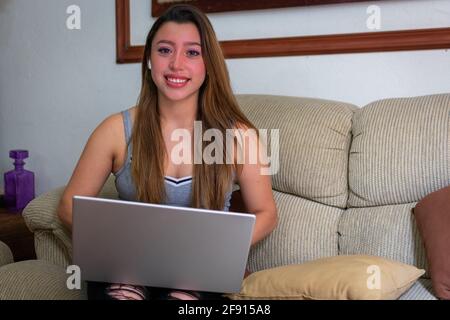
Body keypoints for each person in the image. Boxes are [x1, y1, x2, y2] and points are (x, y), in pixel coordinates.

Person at [57, 4, 277, 300]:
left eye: (192, 52)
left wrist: (217, 250)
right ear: (149, 59)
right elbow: (68, 206)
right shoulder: (115, 130)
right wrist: (120, 248)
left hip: (201, 272)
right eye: (164, 50)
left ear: (208, 63)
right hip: (127, 268)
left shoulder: (239, 137)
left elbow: (266, 212)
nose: (176, 64)